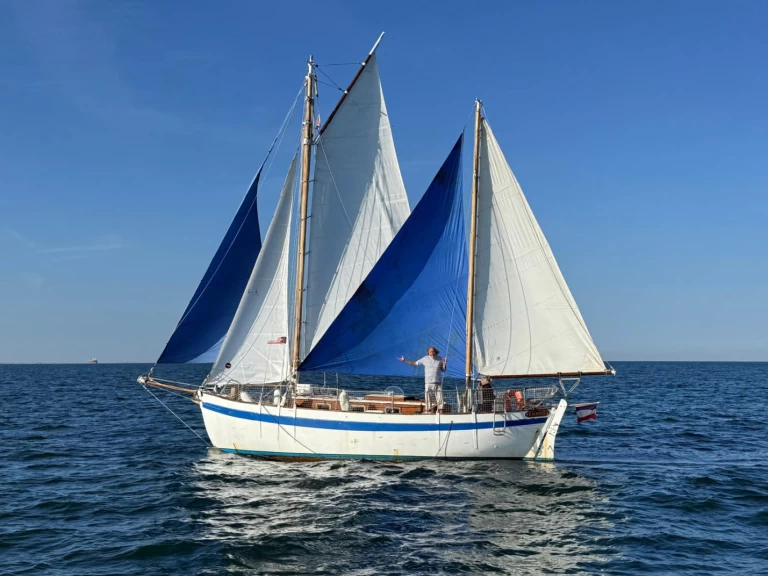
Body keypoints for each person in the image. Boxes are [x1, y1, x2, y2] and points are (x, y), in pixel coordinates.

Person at [399, 346, 446, 412]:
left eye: (433, 351)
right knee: (428, 401)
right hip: (428, 383)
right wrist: (404, 360)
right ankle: (429, 413)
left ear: (436, 352)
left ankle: (441, 414)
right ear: (428, 352)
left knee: (440, 400)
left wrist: (444, 364)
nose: (432, 353)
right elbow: (414, 363)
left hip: (438, 383)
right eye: (430, 352)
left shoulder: (440, 359)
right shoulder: (424, 359)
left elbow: (443, 370)